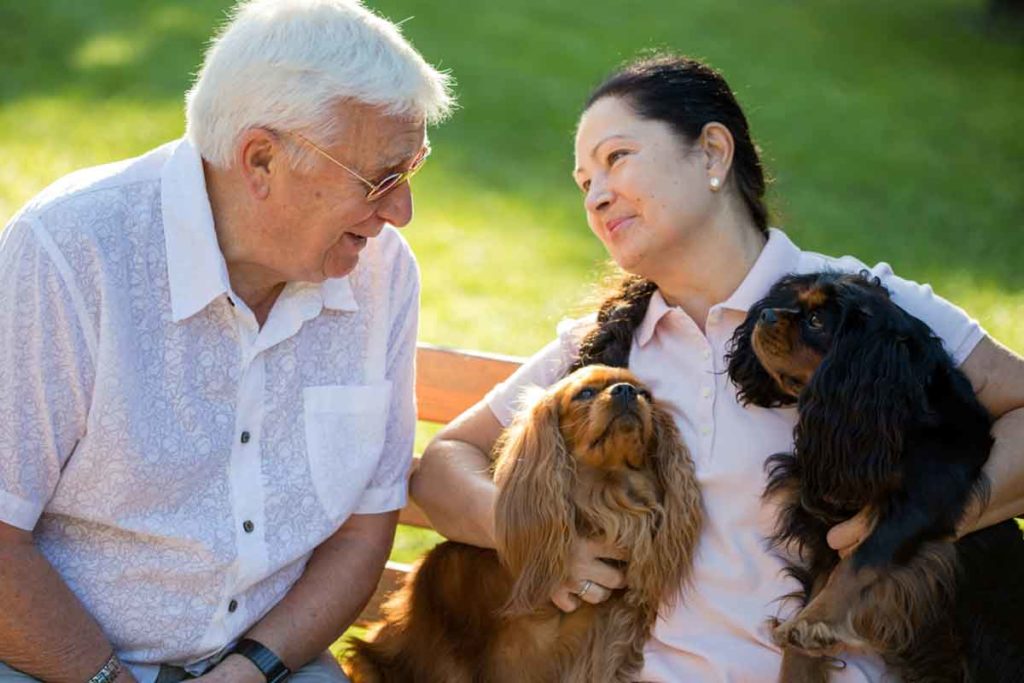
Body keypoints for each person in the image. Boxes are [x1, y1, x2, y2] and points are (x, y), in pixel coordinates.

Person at [412, 54, 1024, 681]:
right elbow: (442, 464)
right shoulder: (606, 348)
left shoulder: (858, 313)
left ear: (711, 153)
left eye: (616, 158)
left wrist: (929, 518)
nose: (595, 194)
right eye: (582, 181)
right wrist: (543, 543)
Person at [0, 1, 453, 682]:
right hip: (53, 661)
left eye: (412, 171)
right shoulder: (72, 250)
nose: (401, 212)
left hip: (269, 662)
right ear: (261, 159)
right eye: (381, 178)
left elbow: (363, 529)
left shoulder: (381, 274)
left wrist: (253, 667)